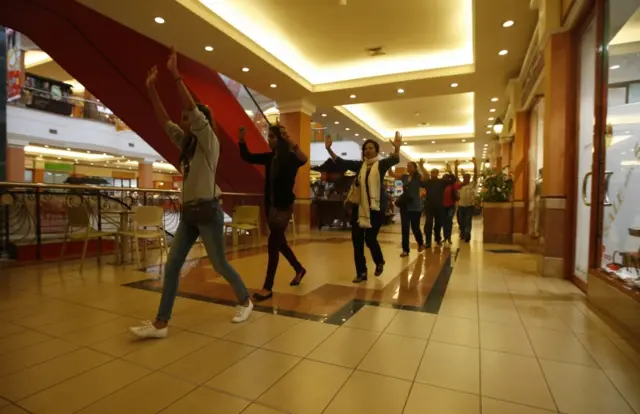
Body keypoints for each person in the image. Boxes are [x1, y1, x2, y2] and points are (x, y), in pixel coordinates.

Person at [131, 47, 253, 339]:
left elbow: (194, 111)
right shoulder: (186, 145)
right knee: (172, 266)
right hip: (189, 215)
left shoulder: (210, 142)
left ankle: (246, 301)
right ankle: (161, 323)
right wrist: (151, 90)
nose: (185, 120)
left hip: (209, 212)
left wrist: (175, 76)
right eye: (184, 118)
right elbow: (163, 121)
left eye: (190, 117)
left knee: (220, 264)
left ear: (201, 121)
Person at [238, 124, 308, 302]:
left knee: (272, 243)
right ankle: (299, 269)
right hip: (270, 206)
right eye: (269, 137)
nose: (269, 140)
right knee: (280, 243)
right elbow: (247, 157)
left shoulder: (291, 158)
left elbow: (304, 159)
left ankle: (267, 287)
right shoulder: (270, 158)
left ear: (281, 139)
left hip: (284, 207)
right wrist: (241, 140)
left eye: (273, 137)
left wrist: (288, 138)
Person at [326, 133, 402, 283]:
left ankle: (379, 261)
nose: (367, 151)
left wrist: (397, 147)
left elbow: (394, 159)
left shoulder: (380, 165)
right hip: (358, 208)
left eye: (371, 148)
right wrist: (329, 149)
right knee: (357, 241)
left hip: (375, 208)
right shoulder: (359, 166)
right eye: (365, 148)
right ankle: (361, 272)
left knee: (370, 239)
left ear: (376, 151)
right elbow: (342, 162)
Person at [419, 161, 451, 248]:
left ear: (437, 173)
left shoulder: (442, 182)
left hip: (439, 207)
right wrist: (421, 167)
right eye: (432, 172)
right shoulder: (427, 182)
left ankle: (437, 239)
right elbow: (420, 183)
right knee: (428, 224)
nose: (433, 174)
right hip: (429, 206)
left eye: (434, 172)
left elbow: (453, 181)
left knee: (438, 224)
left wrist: (450, 171)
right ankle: (428, 242)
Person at [399, 162, 424, 257]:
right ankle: (405, 250)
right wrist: (389, 166)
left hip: (415, 206)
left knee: (415, 228)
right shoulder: (404, 177)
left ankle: (420, 243)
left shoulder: (418, 177)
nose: (408, 167)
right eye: (407, 165)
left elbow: (427, 177)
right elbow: (391, 174)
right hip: (404, 205)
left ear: (415, 167)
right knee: (405, 228)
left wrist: (422, 166)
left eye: (410, 166)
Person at [442, 161, 463, 245]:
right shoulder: (441, 186)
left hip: (451, 206)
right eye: (444, 178)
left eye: (446, 178)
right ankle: (445, 237)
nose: (445, 179)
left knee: (449, 221)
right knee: (444, 222)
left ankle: (449, 237)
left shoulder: (453, 185)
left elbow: (455, 178)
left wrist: (452, 170)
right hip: (443, 206)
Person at [457, 158, 478, 243]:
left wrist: (475, 164)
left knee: (468, 221)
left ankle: (467, 235)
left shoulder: (472, 184)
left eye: (468, 178)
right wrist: (455, 167)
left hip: (469, 206)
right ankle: (462, 233)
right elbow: (456, 176)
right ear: (463, 178)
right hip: (461, 206)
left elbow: (476, 175)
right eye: (466, 177)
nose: (467, 179)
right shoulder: (460, 185)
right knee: (461, 222)